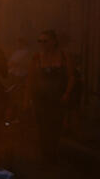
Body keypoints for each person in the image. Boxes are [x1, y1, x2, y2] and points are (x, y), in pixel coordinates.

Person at [29, 30, 75, 161]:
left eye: (45, 41)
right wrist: (28, 98)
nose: (42, 44)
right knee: (42, 126)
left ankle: (53, 152)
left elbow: (71, 77)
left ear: (54, 41)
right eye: (40, 41)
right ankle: (45, 153)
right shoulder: (37, 57)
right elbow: (31, 78)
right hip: (40, 98)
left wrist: (67, 93)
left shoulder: (64, 56)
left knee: (55, 126)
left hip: (57, 97)